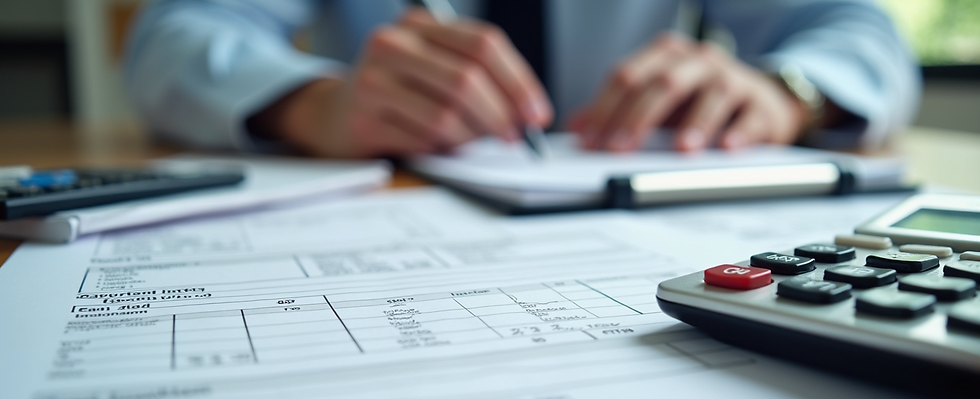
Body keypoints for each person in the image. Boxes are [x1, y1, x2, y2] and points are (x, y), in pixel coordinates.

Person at [124, 0, 919, 158]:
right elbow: (171, 35)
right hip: (395, 198)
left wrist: (788, 92)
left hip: (624, 198)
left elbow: (861, 31)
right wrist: (313, 102)